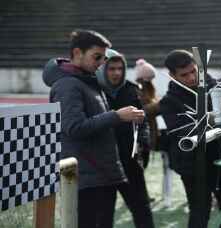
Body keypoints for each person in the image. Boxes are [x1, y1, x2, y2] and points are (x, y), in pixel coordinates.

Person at [42, 30, 145, 228]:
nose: (101, 63)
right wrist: (116, 116)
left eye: (104, 58)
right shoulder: (68, 85)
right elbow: (74, 127)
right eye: (97, 57)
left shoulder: (86, 80)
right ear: (77, 53)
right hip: (86, 177)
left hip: (100, 174)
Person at [160, 49, 221, 228]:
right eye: (184, 75)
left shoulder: (215, 86)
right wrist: (212, 119)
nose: (191, 77)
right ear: (172, 75)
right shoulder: (169, 101)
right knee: (199, 212)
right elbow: (181, 131)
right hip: (193, 164)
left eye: (193, 71)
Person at [96, 49, 155, 228]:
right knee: (103, 216)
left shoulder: (131, 89)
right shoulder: (93, 92)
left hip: (130, 163)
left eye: (120, 68)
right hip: (102, 165)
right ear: (102, 69)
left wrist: (143, 145)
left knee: (142, 210)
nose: (116, 73)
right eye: (111, 68)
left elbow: (142, 121)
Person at [134, 58, 174, 207]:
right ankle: (139, 197)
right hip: (140, 134)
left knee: (142, 167)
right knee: (139, 168)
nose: (151, 81)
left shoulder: (147, 89)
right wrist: (160, 105)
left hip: (150, 132)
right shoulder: (137, 90)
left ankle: (141, 196)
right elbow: (142, 111)